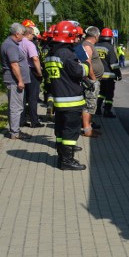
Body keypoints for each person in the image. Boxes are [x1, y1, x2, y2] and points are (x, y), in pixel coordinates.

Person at [42, 21, 88, 170]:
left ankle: (62, 157)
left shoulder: (51, 53)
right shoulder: (66, 54)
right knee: (71, 130)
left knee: (61, 129)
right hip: (71, 100)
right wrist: (86, 66)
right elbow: (78, 72)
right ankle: (67, 161)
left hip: (59, 99)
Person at [0, 23, 31, 140]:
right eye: (22, 34)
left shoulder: (9, 43)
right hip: (14, 81)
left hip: (13, 80)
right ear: (17, 34)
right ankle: (15, 132)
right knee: (16, 107)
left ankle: (15, 130)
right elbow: (14, 65)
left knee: (14, 107)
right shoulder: (11, 46)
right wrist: (20, 81)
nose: (23, 37)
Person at [76, 26, 104, 138]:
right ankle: (87, 130)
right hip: (90, 81)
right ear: (96, 36)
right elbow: (88, 64)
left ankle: (89, 127)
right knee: (89, 105)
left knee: (91, 105)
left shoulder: (87, 45)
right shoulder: (87, 46)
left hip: (91, 80)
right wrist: (93, 79)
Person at [20, 24, 43, 128]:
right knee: (33, 97)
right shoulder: (29, 44)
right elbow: (35, 59)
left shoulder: (17, 43)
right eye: (33, 35)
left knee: (23, 98)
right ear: (28, 34)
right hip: (31, 71)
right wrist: (39, 72)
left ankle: (22, 120)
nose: (34, 37)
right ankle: (34, 121)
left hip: (20, 71)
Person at [95, 27, 121, 117]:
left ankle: (97, 109)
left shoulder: (95, 46)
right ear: (110, 38)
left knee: (100, 93)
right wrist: (119, 74)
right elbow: (114, 64)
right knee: (109, 95)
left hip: (97, 75)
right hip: (108, 76)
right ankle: (107, 111)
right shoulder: (109, 48)